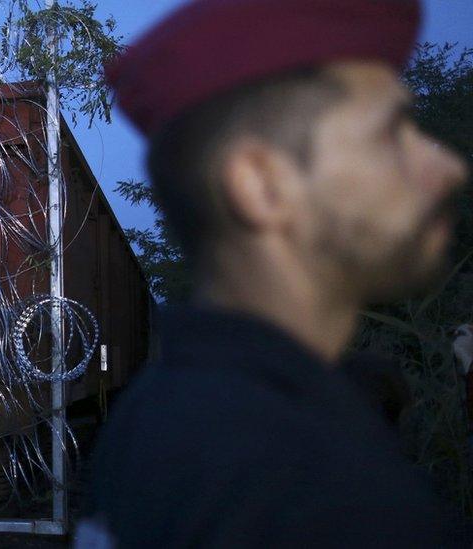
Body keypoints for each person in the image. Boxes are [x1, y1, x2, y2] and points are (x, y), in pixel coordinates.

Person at [78, 0, 471, 546]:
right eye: (392, 132)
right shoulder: (315, 488)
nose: (449, 167)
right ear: (262, 186)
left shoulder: (163, 423)